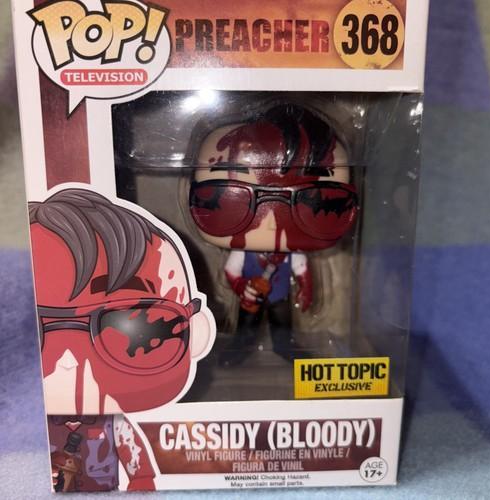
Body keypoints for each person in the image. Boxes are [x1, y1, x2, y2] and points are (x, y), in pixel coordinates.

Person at [30, 188, 215, 491]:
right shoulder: (33, 425)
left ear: (196, 333)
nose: (68, 362)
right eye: (32, 329)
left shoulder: (114, 424)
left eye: (135, 329)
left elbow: (140, 470)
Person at [189, 104, 358, 366]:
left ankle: (283, 347)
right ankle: (241, 348)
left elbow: (302, 271)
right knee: (247, 324)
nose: (269, 223)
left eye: (309, 198)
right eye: (235, 198)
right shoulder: (242, 250)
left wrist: (306, 291)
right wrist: (241, 288)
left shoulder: (292, 252)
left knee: (282, 323)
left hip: (279, 294)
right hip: (251, 296)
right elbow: (231, 272)